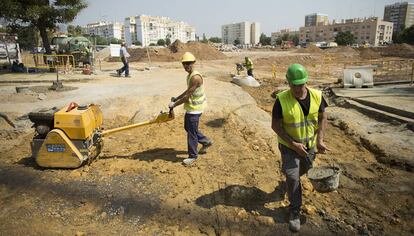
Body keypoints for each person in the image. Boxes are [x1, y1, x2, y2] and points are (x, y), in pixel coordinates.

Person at [271, 63, 329, 232]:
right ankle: (294, 211)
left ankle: (289, 181)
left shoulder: (318, 96)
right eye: (293, 84)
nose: (297, 88)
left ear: (306, 82)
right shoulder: (281, 100)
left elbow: (323, 117)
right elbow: (275, 126)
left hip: (309, 146)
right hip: (289, 146)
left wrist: (320, 140)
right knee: (293, 177)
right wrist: (293, 144)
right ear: (288, 82)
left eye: (300, 84)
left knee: (305, 170)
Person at [168, 52, 213, 166]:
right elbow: (187, 91)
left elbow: (187, 97)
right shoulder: (189, 75)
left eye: (188, 63)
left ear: (193, 63)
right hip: (191, 108)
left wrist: (174, 105)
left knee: (191, 133)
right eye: (184, 63)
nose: (186, 65)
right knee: (188, 127)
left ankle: (193, 156)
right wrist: (176, 98)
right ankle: (205, 141)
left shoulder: (195, 77)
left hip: (195, 109)